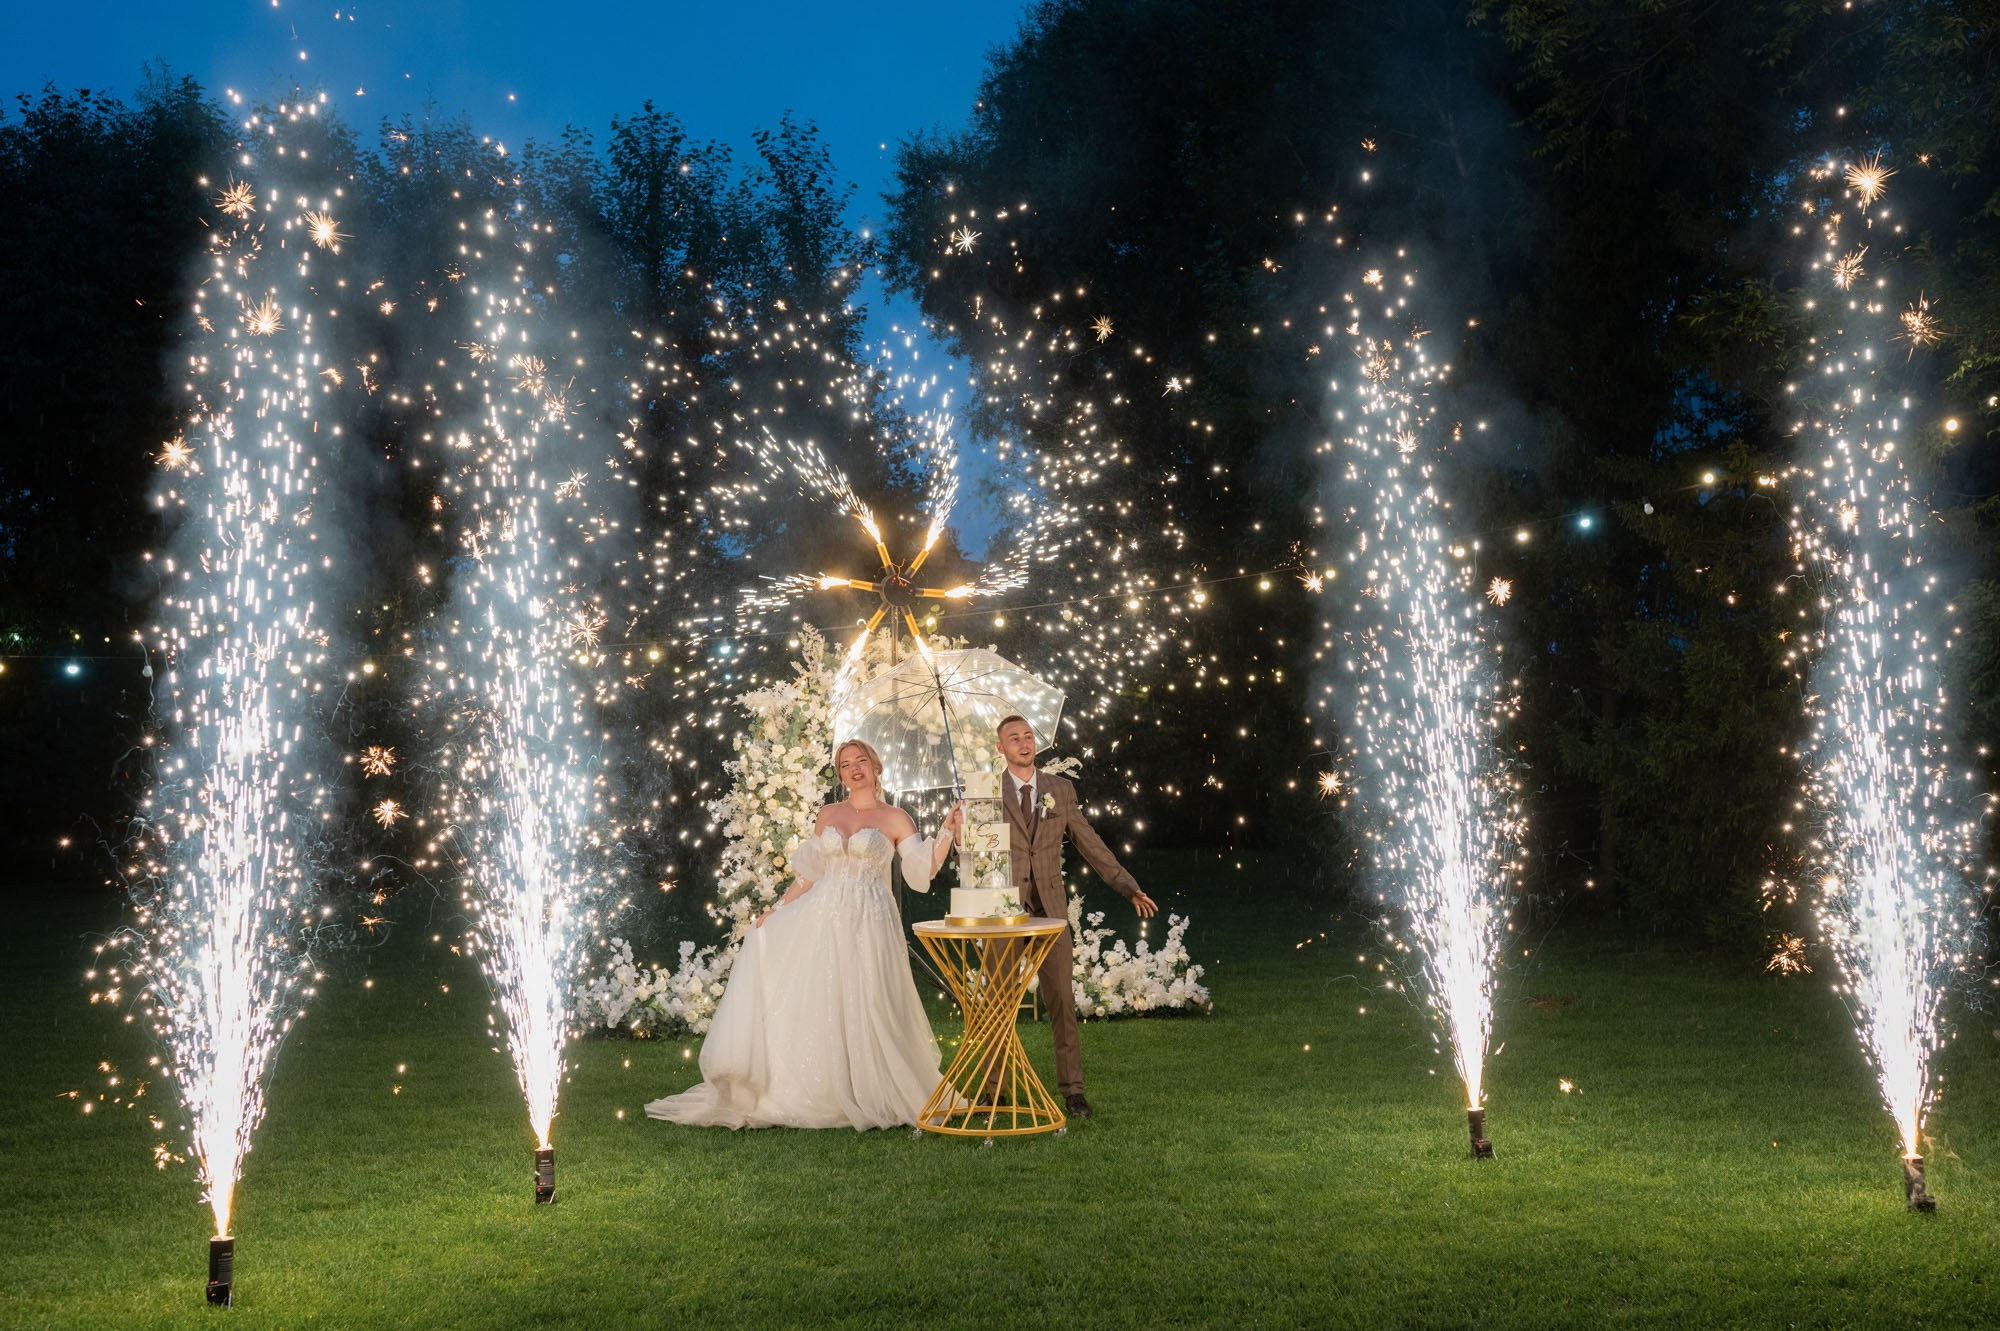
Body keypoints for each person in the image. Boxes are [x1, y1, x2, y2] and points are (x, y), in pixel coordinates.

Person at [645, 738, 957, 1130]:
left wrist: (946, 832)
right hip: (824, 913)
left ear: (876, 766)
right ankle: (821, 1083)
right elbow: (810, 874)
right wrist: (777, 909)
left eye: (861, 761)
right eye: (845, 764)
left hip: (870, 918)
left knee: (870, 996)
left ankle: (872, 1082)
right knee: (822, 992)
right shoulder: (829, 813)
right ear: (840, 774)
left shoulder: (896, 818)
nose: (854, 768)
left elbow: (919, 871)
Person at [990, 713, 1156, 1119]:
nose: (1024, 743)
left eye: (1028, 736)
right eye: (1014, 738)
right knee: (997, 1005)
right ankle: (995, 1091)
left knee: (1063, 1002)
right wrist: (963, 831)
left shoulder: (1059, 790)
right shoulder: (987, 792)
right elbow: (973, 850)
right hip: (1003, 912)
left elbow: (1089, 842)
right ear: (1001, 748)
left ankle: (1073, 1091)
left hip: (1051, 913)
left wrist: (1127, 885)